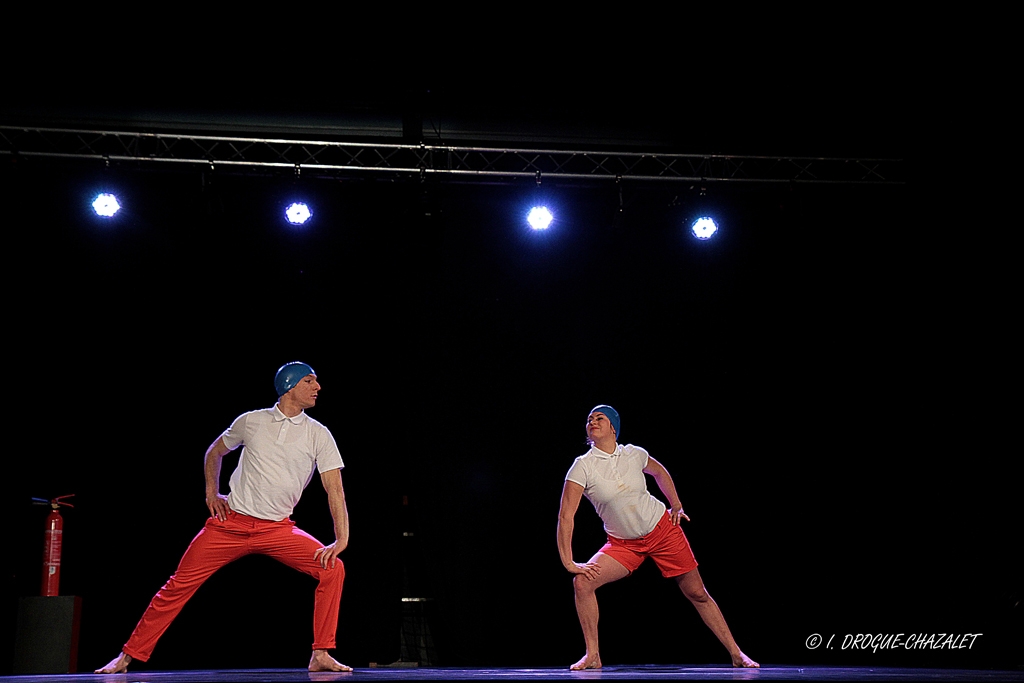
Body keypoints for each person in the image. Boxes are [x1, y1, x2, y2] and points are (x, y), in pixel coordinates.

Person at [96, 361, 352, 673]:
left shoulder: (318, 435)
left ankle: (321, 653)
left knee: (332, 568)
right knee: (177, 585)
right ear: (289, 386)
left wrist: (341, 538)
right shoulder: (252, 421)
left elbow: (334, 489)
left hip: (278, 530)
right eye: (310, 381)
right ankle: (127, 656)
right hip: (230, 524)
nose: (317, 387)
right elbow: (215, 452)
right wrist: (210, 492)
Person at [557, 404, 758, 670]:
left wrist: (676, 504)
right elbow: (565, 517)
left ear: (613, 428)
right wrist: (568, 561)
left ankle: (736, 653)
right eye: (589, 419)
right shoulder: (582, 467)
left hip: (662, 531)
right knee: (582, 583)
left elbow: (659, 472)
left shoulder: (634, 454)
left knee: (697, 593)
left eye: (599, 418)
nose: (592, 421)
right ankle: (592, 655)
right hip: (623, 544)